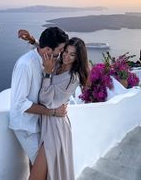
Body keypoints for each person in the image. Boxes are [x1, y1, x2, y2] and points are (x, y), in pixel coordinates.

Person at [19, 31, 89, 180]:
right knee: (40, 173)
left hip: (55, 128)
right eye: (65, 51)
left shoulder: (72, 78)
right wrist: (33, 40)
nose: (66, 56)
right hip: (43, 122)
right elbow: (49, 49)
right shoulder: (57, 63)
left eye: (72, 55)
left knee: (37, 176)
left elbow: (47, 101)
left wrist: (47, 74)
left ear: (78, 58)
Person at [9, 27, 69, 167]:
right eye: (60, 50)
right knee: (43, 169)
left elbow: (43, 47)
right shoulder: (25, 65)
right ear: (48, 50)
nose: (62, 53)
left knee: (35, 166)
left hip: (39, 122)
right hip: (25, 126)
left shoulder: (47, 56)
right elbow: (19, 103)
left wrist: (32, 40)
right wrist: (53, 112)